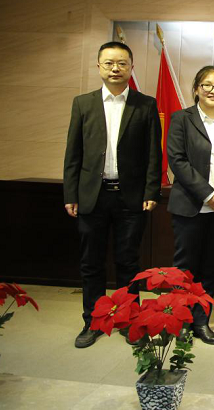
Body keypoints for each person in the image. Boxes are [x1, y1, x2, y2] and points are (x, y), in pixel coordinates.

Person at [63, 41, 161, 348]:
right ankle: (93, 321)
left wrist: (151, 190)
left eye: (121, 63)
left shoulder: (145, 104)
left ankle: (129, 321)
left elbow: (153, 153)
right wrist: (70, 193)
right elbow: (73, 152)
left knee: (128, 263)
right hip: (92, 196)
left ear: (131, 67)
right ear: (99, 67)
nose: (115, 68)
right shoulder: (83, 103)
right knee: (91, 262)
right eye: (109, 63)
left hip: (131, 197)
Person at [166, 66, 214, 345]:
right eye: (207, 85)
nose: (213, 90)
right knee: (185, 269)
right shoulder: (181, 119)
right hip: (191, 206)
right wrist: (208, 194)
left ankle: (201, 321)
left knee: (210, 267)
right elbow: (178, 161)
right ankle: (181, 321)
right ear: (197, 88)